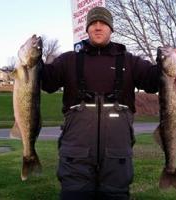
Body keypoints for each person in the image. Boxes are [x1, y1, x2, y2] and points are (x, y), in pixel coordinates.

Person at [42, 6, 161, 200]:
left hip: (117, 158)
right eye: (93, 23)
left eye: (103, 23)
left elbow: (152, 81)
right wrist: (34, 63)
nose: (98, 27)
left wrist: (167, 63)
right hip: (75, 157)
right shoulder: (68, 60)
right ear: (87, 28)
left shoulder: (130, 61)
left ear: (111, 29)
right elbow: (47, 82)